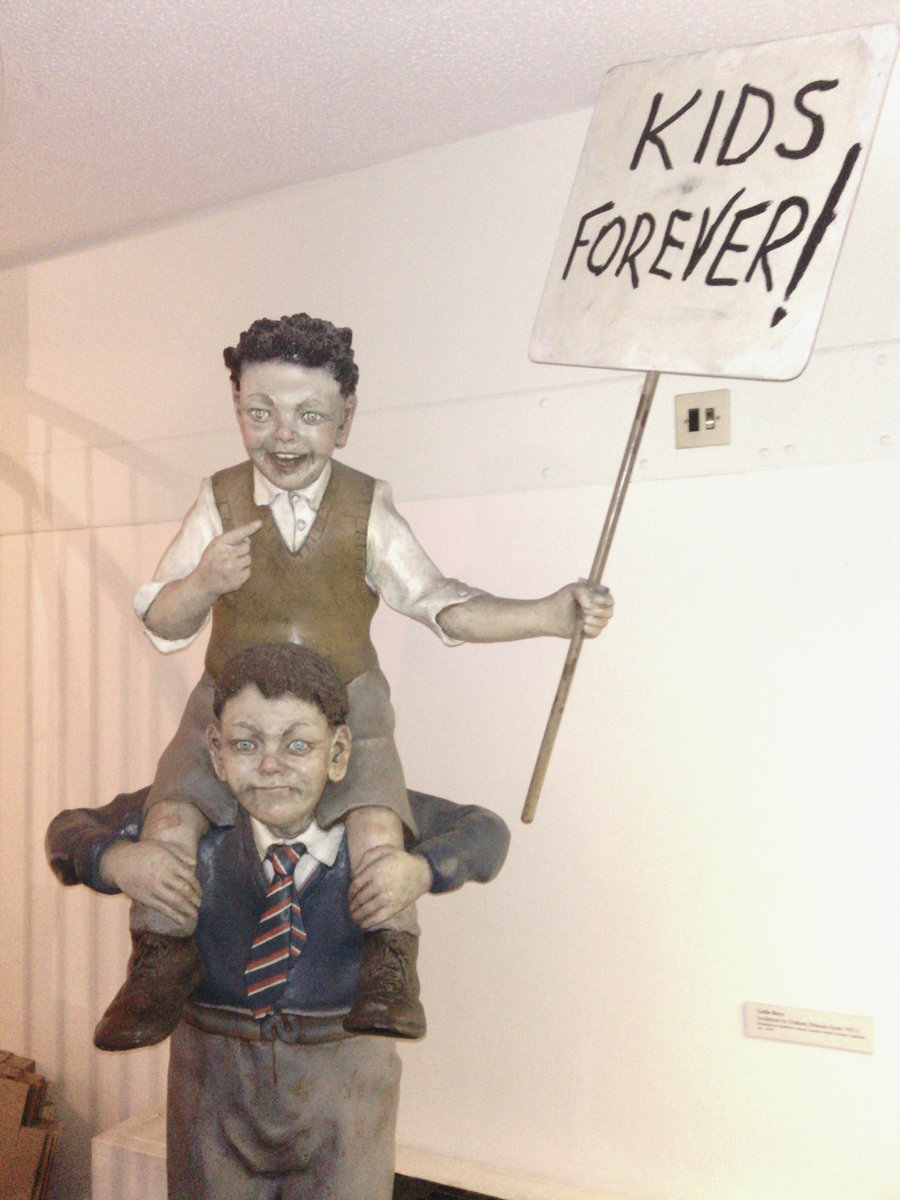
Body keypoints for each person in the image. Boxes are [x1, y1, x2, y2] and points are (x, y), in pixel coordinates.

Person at [96, 312, 613, 1051]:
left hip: (347, 696)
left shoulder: (367, 507)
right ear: (237, 408)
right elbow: (162, 622)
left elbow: (439, 602)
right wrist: (204, 581)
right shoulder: (218, 501)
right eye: (260, 413)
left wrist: (548, 614)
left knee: (376, 825)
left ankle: (390, 959)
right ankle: (159, 954)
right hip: (229, 699)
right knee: (171, 816)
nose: (283, 436)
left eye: (309, 415)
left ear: (345, 420)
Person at [46, 642, 511, 1200]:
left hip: (344, 1090)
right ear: (216, 752)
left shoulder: (381, 819)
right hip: (212, 1089)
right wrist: (115, 860)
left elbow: (486, 831)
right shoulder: (184, 817)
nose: (270, 766)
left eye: (298, 745)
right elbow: (68, 830)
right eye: (246, 744)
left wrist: (423, 869)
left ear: (338, 753)